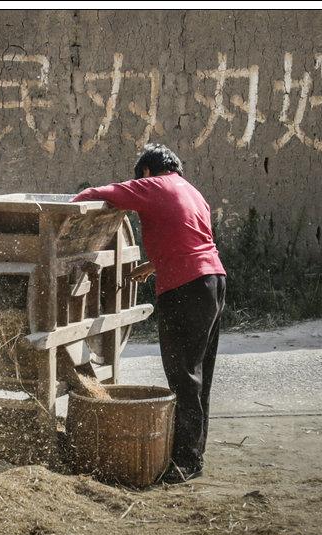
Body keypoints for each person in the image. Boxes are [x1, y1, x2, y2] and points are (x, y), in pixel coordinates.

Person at [71, 144, 226, 484]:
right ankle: (193, 454)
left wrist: (60, 218)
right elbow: (189, 238)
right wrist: (152, 264)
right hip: (213, 282)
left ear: (145, 172)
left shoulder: (152, 185)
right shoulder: (193, 192)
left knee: (182, 373)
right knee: (200, 373)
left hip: (184, 287)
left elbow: (98, 193)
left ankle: (185, 461)